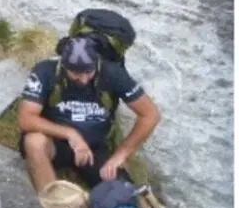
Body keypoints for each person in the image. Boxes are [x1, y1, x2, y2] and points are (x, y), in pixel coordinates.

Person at [17, 34, 161, 194]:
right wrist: (71, 134)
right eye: (75, 73)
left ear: (97, 63)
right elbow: (26, 119)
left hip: (95, 148)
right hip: (55, 142)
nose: (83, 79)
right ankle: (53, 202)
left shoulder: (113, 73)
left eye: (88, 72)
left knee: (123, 192)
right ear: (63, 65)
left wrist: (121, 154)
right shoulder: (45, 71)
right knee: (34, 141)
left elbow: (150, 115)